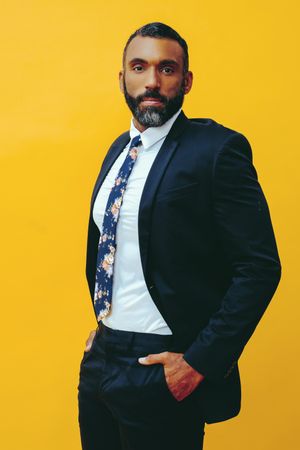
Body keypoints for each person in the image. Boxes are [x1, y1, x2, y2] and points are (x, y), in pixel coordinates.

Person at [77, 22, 281, 450]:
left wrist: (198, 363)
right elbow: (109, 247)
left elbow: (259, 268)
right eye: (139, 67)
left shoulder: (216, 151)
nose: (152, 81)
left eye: (166, 69)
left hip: (163, 364)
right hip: (102, 359)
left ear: (186, 80)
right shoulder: (118, 150)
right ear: (122, 78)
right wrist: (104, 330)